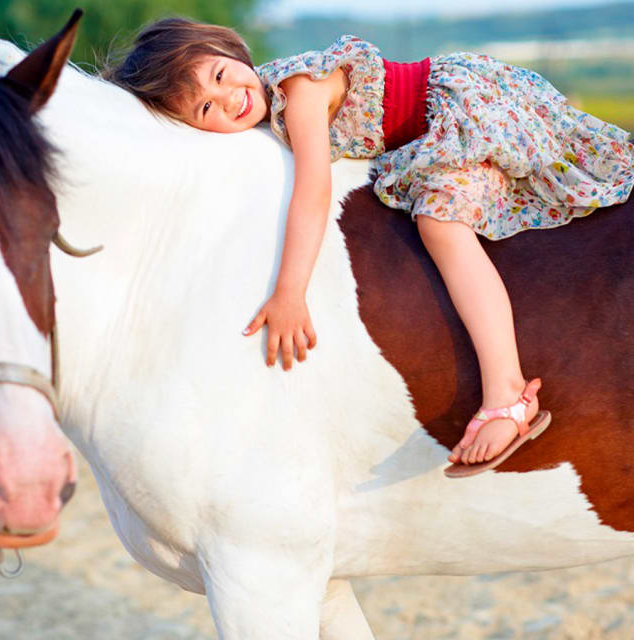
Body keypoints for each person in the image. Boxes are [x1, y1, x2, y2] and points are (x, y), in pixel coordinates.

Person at [105, 18, 634, 476]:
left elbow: (313, 189)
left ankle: (507, 397)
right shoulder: (269, 109)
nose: (228, 98)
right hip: (431, 124)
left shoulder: (298, 90)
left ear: (228, 51)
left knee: (440, 223)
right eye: (205, 108)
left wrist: (290, 291)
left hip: (455, 106)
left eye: (220, 76)